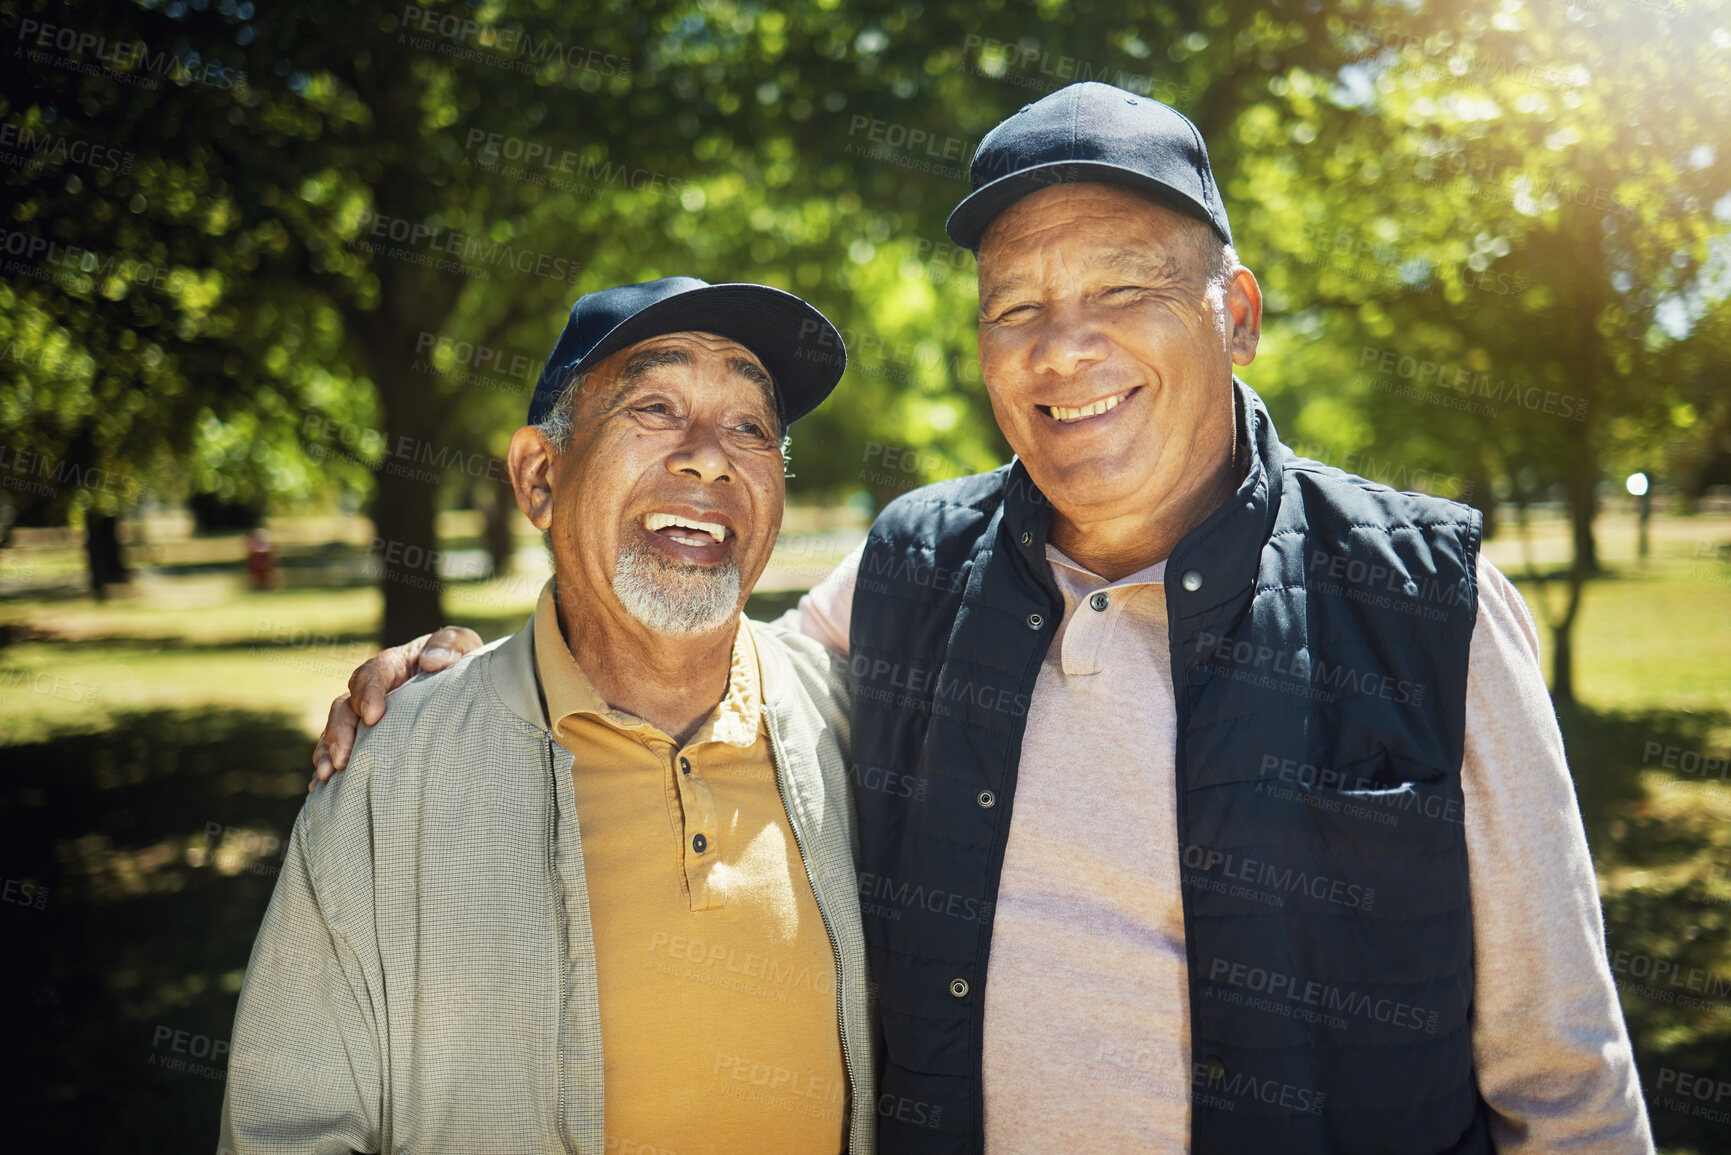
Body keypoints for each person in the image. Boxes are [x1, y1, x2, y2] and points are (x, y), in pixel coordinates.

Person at [316, 85, 1652, 1153]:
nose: (1060, 348)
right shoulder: (906, 572)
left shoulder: (1423, 596)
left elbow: (1563, 1074)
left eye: (1120, 291)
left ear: (1232, 314)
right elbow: (687, 675)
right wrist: (476, 678)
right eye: (1014, 307)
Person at [222, 277, 876, 1154]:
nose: (710, 457)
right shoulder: (393, 769)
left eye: (750, 426)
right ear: (539, 475)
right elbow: (286, 1130)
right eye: (654, 406)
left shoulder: (862, 731)